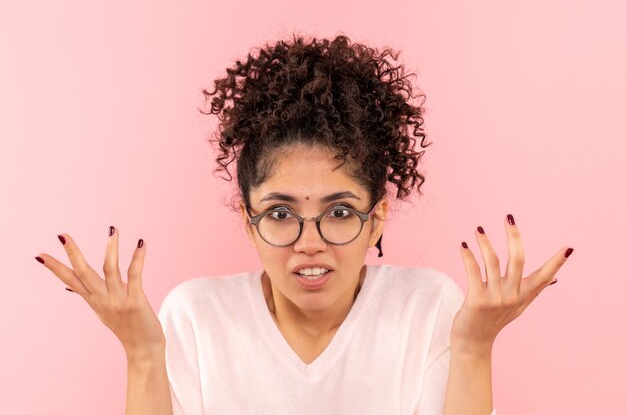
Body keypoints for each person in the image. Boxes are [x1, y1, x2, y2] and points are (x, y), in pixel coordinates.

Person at [35, 33, 574, 415]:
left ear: (377, 216)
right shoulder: (197, 316)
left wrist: (477, 347)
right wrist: (143, 353)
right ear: (249, 223)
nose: (308, 245)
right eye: (280, 214)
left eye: (340, 212)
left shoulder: (428, 306)